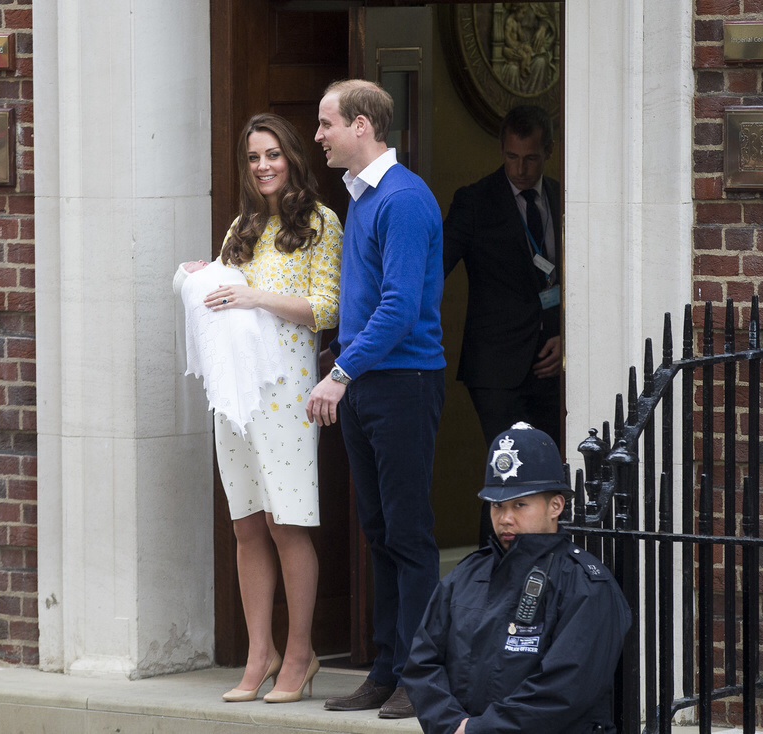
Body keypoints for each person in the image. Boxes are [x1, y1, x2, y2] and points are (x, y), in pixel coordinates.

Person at [180, 112, 342, 704]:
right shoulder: (242, 226)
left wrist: (254, 295)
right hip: (236, 396)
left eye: (272, 154)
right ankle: (259, 654)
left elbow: (328, 308)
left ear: (292, 156)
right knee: (247, 526)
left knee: (286, 525)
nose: (263, 166)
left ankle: (299, 654)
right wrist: (207, 277)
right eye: (254, 158)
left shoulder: (320, 223)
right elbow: (223, 300)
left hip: (288, 394)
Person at [306, 79, 446, 719]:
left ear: (363, 126)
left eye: (326, 123)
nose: (318, 136)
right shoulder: (363, 200)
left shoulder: (405, 199)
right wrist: (348, 372)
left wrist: (341, 372)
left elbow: (401, 307)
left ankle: (421, 677)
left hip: (404, 382)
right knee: (381, 532)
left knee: (410, 535)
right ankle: (386, 669)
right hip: (368, 384)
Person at [405, 422, 632, 734]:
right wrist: (452, 726)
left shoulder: (586, 585)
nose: (505, 518)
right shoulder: (465, 576)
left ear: (556, 506)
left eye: (520, 505)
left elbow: (566, 689)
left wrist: (479, 730)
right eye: (497, 506)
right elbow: (422, 663)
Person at [442, 104, 562, 545]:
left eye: (530, 158)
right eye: (512, 157)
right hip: (495, 368)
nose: (520, 168)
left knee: (549, 474)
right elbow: (435, 268)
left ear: (547, 151)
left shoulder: (562, 196)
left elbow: (578, 277)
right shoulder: (474, 201)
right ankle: (492, 573)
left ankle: (546, 573)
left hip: (553, 365)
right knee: (505, 471)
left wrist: (565, 338)